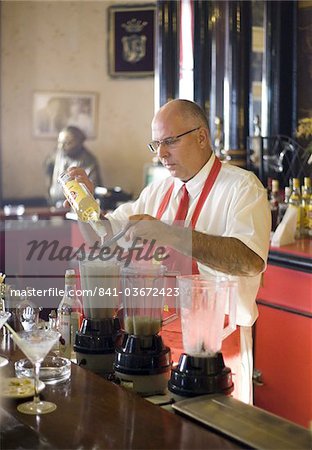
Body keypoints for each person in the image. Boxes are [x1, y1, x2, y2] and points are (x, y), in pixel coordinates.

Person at [66, 99, 271, 404]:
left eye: (170, 142)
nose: (161, 154)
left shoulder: (242, 188)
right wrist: (83, 202)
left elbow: (249, 262)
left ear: (201, 136)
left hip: (215, 350)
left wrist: (169, 233)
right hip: (153, 346)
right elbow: (104, 238)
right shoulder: (158, 192)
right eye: (156, 144)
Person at [44, 126, 102, 207]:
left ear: (79, 142)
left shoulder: (89, 161)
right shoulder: (57, 154)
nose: (61, 147)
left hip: (77, 209)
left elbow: (94, 189)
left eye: (67, 143)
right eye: (60, 142)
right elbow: (48, 168)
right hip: (53, 206)